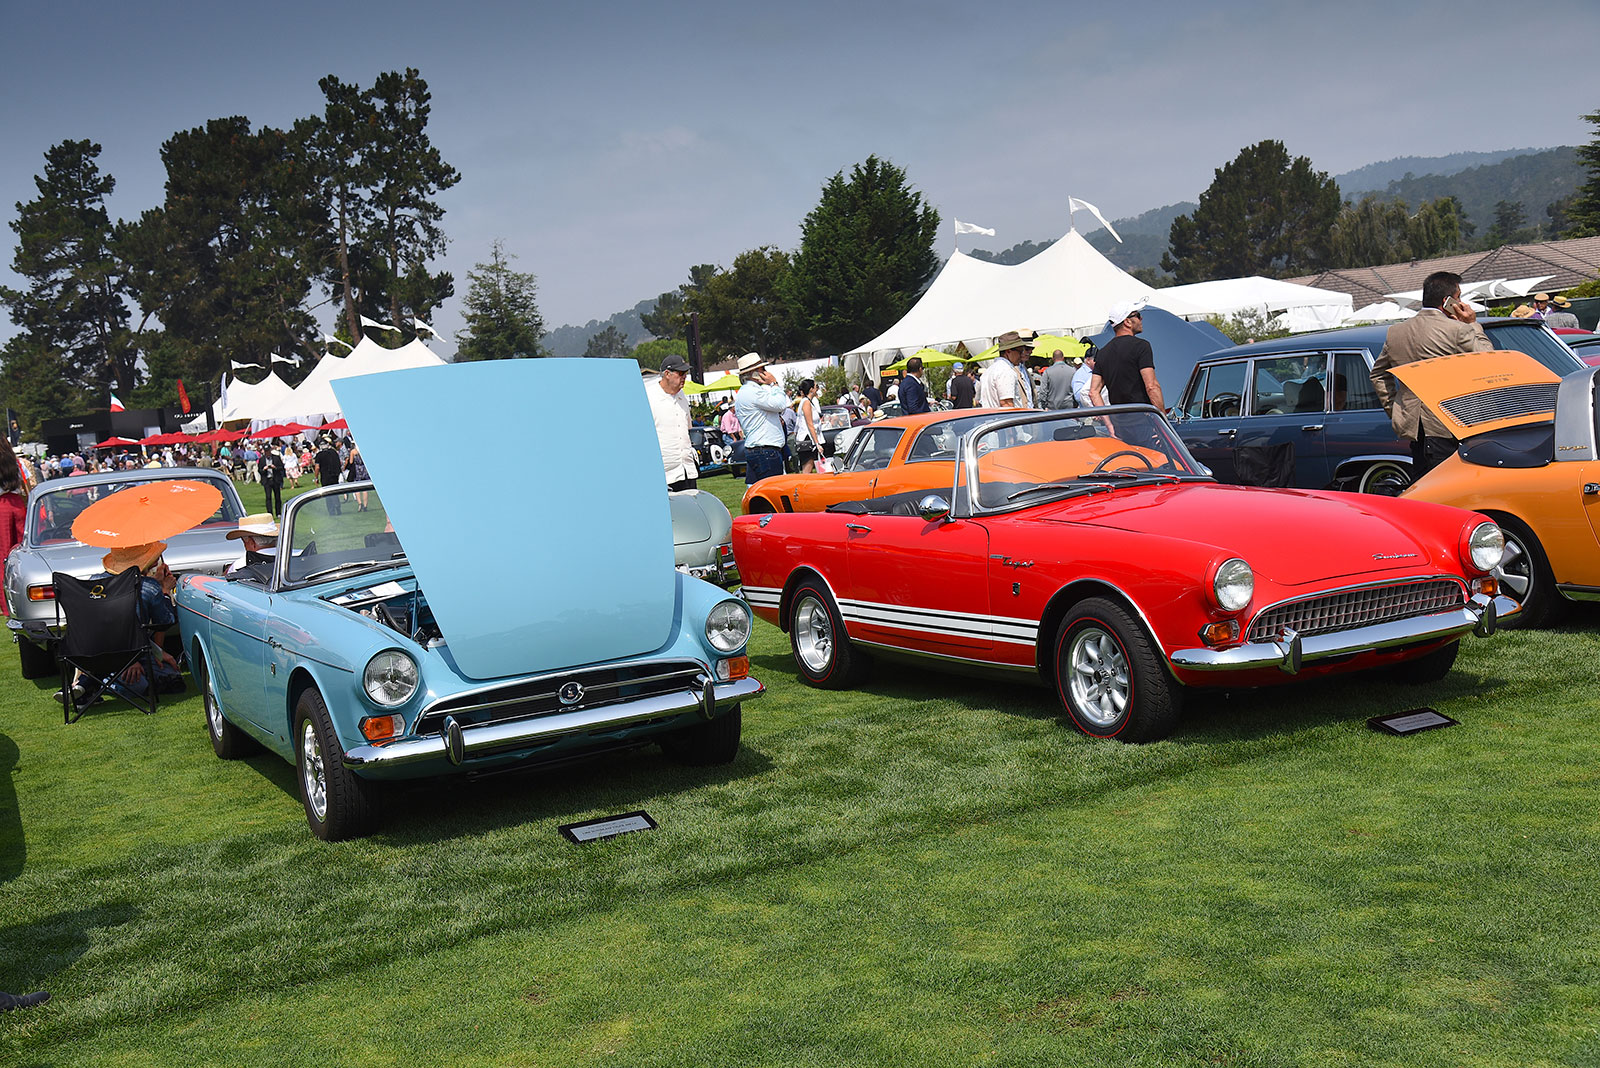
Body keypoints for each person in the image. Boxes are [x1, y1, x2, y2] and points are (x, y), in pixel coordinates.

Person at [1371, 270, 1491, 475]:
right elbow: (1488, 359)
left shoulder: (1396, 332)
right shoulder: (1457, 329)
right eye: (1459, 297)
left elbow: (1379, 374)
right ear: (1447, 301)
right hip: (1450, 424)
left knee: (1426, 484)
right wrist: (1473, 324)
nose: (1461, 302)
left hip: (1414, 426)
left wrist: (1395, 410)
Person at [1089, 302, 1163, 409]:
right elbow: (1151, 386)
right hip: (1143, 419)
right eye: (1137, 315)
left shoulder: (1102, 352)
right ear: (1127, 322)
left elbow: (1093, 392)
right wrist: (1162, 418)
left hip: (1118, 421)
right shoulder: (1141, 346)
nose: (1141, 318)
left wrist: (1109, 424)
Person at [733, 352, 788, 485]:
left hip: (756, 448)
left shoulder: (744, 392)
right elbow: (781, 404)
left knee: (756, 491)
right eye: (762, 369)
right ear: (755, 373)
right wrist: (774, 383)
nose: (766, 372)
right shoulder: (754, 392)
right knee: (772, 491)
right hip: (766, 450)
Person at [648, 354, 700, 491]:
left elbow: (688, 428)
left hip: (687, 469)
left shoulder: (682, 396)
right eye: (681, 373)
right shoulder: (649, 397)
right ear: (667, 374)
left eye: (686, 373)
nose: (685, 377)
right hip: (665, 473)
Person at [0, 437, 29, 613]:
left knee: (3, 555)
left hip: (2, 507)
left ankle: (5, 604)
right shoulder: (15, 462)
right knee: (21, 551)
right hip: (17, 504)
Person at [979, 331, 1037, 409]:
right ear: (1008, 351)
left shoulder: (990, 370)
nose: (1021, 355)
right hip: (1005, 418)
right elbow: (1006, 404)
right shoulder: (1006, 371)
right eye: (1020, 351)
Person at [792, 378, 822, 474]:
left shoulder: (808, 401)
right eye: (815, 386)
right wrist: (817, 443)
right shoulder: (806, 402)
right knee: (807, 470)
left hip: (808, 438)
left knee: (810, 469)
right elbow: (810, 424)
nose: (816, 388)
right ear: (811, 389)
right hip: (807, 440)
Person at [314, 435, 343, 513]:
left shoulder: (319, 455)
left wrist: (316, 478)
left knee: (327, 494)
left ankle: (331, 510)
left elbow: (317, 467)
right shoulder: (334, 452)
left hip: (325, 476)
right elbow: (339, 463)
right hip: (334, 475)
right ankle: (337, 505)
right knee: (334, 492)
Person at [260, 444, 286, 518]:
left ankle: (278, 513)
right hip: (267, 480)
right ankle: (269, 513)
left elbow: (281, 468)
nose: (267, 453)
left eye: (268, 451)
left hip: (275, 479)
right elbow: (260, 470)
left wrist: (275, 467)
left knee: (277, 497)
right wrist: (264, 469)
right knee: (268, 497)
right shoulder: (262, 459)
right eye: (265, 451)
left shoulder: (276, 458)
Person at [344, 445, 370, 511]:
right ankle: (365, 506)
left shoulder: (353, 451)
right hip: (364, 469)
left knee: (357, 488)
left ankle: (360, 503)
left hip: (357, 469)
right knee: (365, 489)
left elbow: (351, 462)